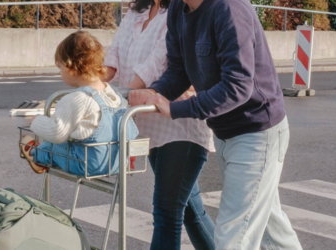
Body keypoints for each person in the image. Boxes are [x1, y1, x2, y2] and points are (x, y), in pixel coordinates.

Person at [127, 0, 303, 248]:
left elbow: (239, 86)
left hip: (257, 132)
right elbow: (179, 71)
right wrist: (155, 93)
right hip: (225, 132)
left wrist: (176, 108)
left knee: (233, 237)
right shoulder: (179, 9)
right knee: (272, 232)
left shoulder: (229, 9)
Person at [104, 0, 215, 248]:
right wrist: (95, 77)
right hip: (150, 125)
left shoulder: (176, 11)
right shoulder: (137, 9)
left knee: (167, 215)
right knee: (190, 211)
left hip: (179, 125)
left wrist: (122, 94)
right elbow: (115, 50)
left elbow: (157, 63)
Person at [19, 31, 139, 177]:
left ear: (70, 67)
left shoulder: (77, 99)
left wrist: (35, 121)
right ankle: (129, 159)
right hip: (118, 162)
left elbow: (56, 132)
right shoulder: (115, 95)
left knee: (53, 146)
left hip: (85, 164)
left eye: (60, 68)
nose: (60, 72)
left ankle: (35, 154)